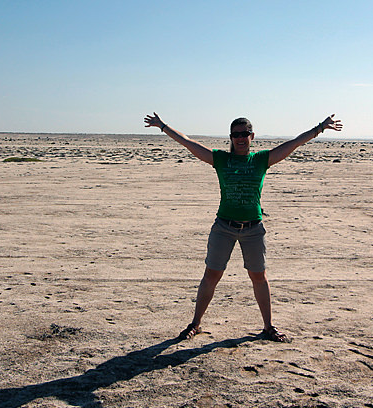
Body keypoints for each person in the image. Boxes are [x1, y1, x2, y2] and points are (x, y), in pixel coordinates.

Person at [143, 112, 343, 342]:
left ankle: (268, 327)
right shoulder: (221, 159)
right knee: (211, 275)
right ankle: (195, 324)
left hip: (253, 229)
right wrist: (163, 126)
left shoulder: (261, 160)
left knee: (259, 277)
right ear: (231, 137)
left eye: (244, 134)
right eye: (236, 134)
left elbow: (294, 143)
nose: (240, 138)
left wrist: (320, 128)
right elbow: (188, 142)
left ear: (252, 136)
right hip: (223, 227)